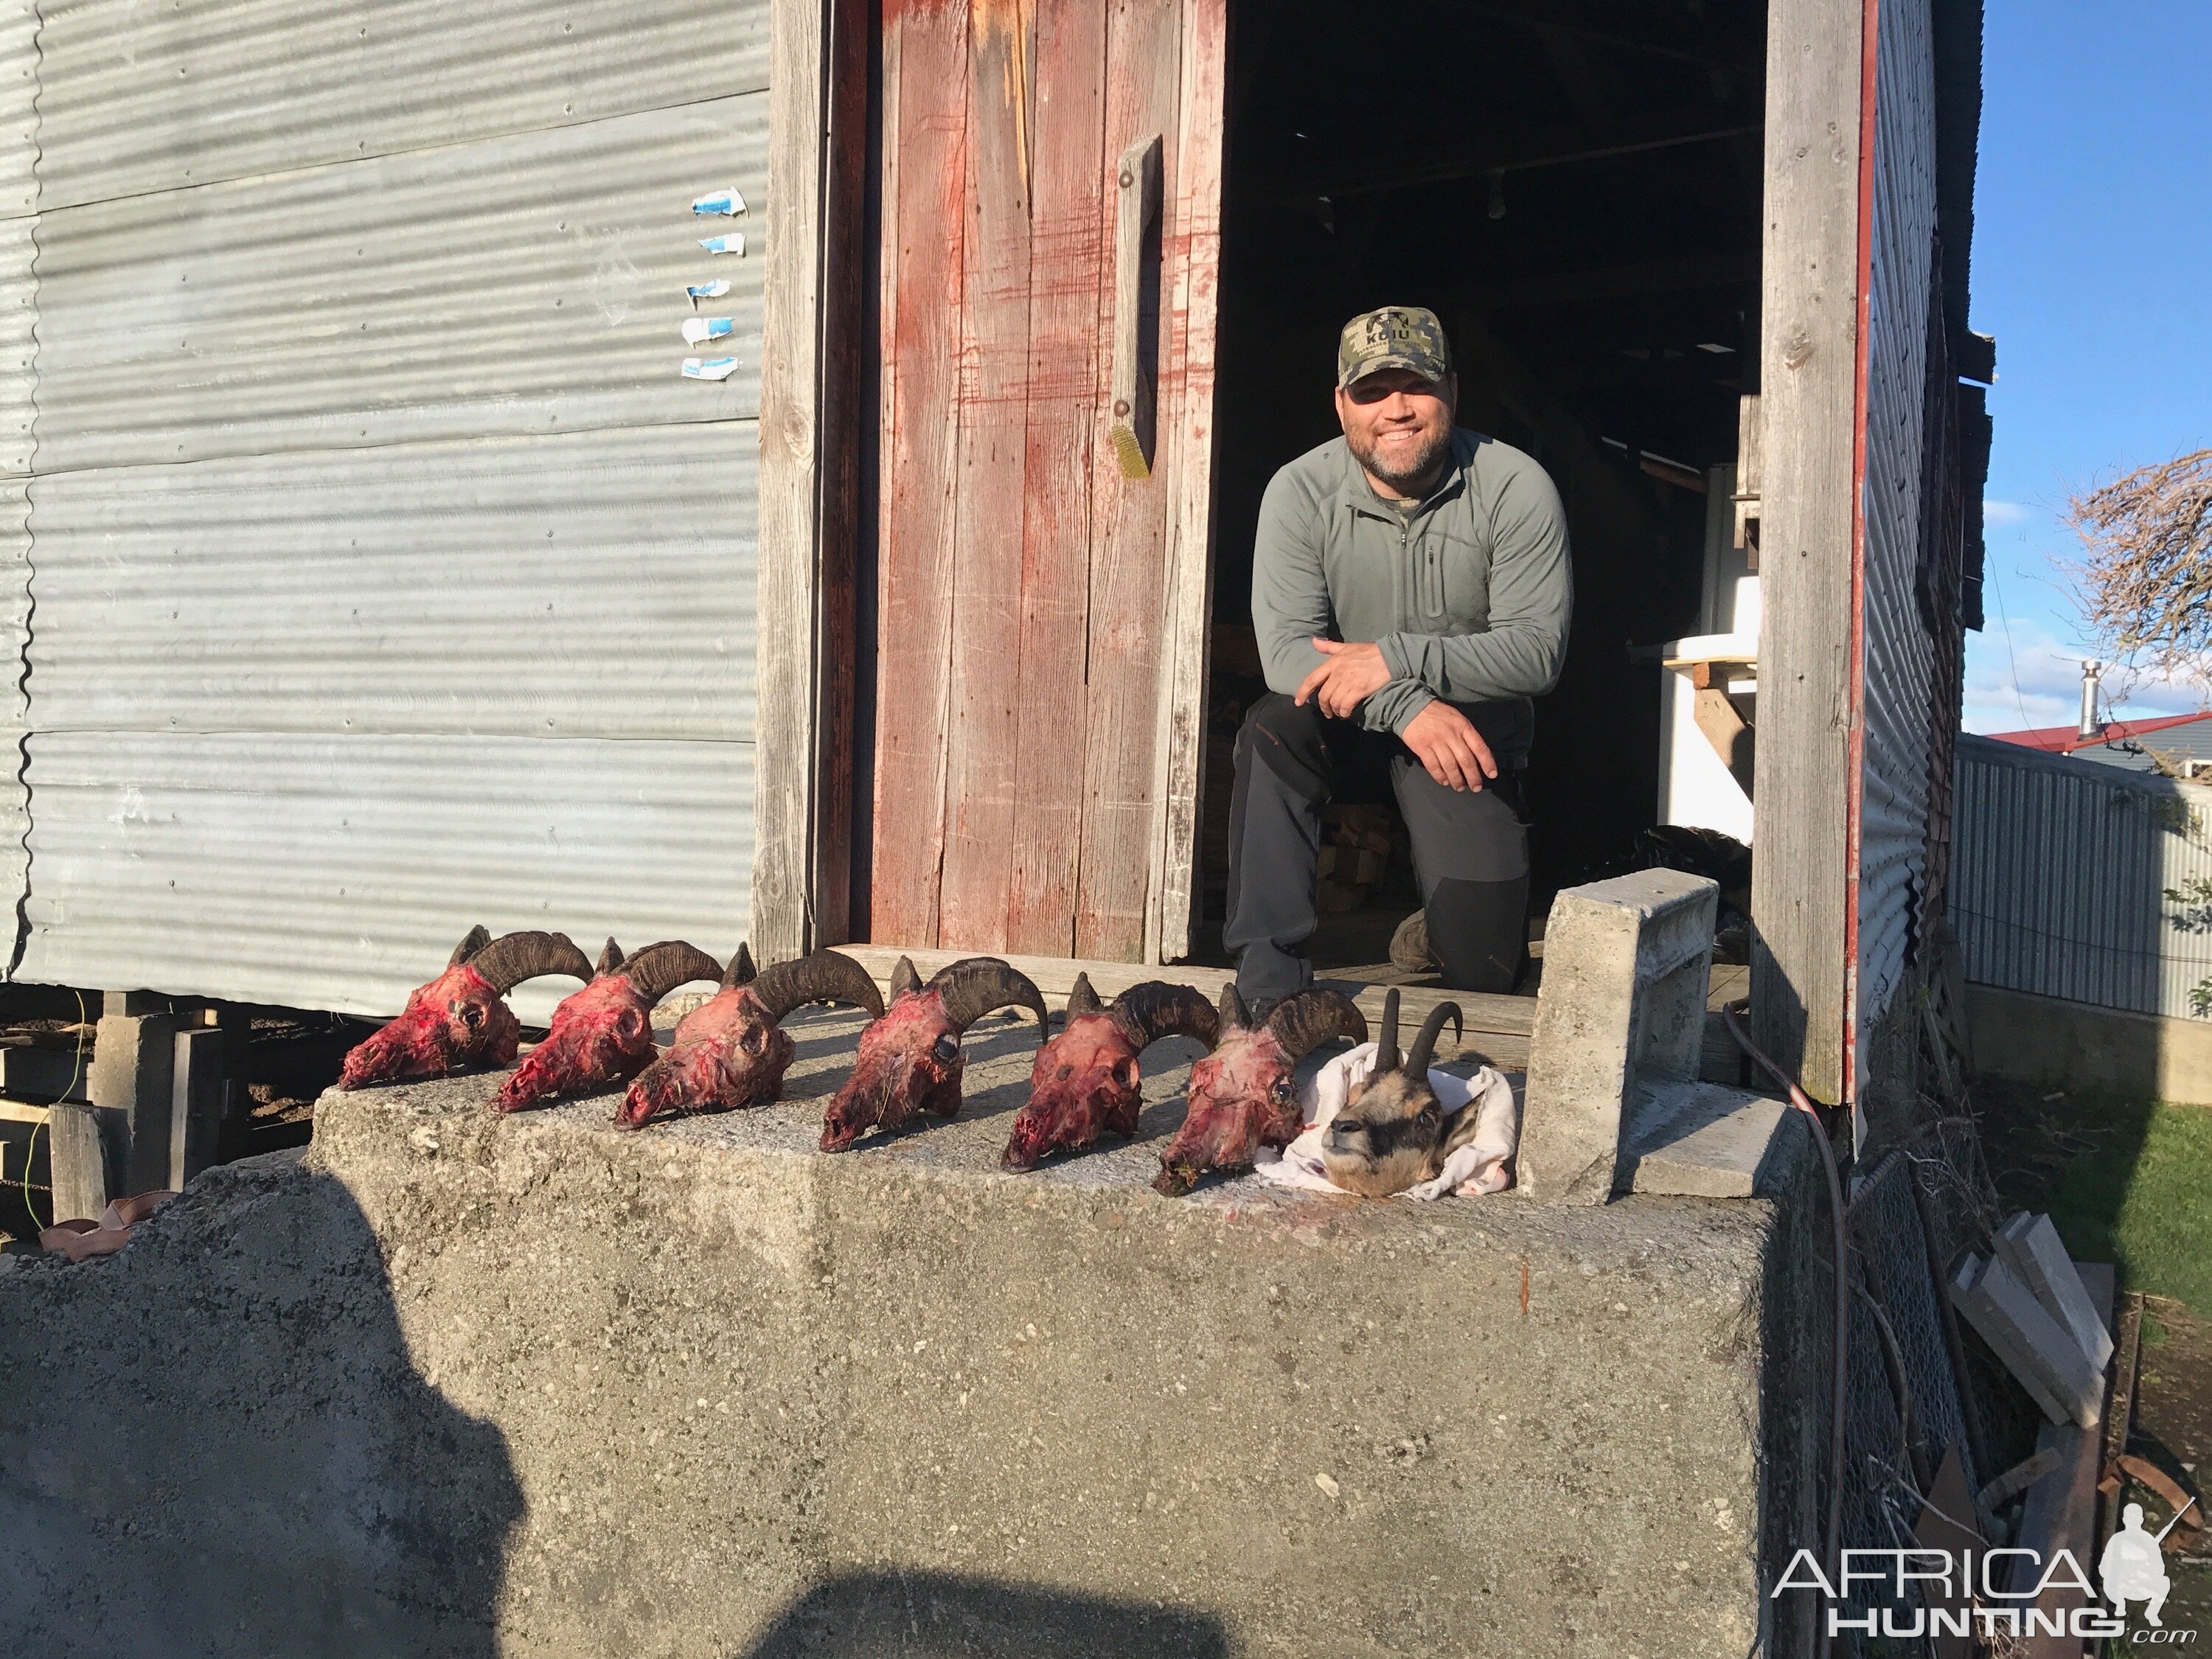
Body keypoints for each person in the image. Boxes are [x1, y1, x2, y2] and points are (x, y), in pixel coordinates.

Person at [1226, 305, 1573, 1006]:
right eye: (1372, 392)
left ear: (1451, 389)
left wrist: (1393, 658)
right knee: (1271, 724)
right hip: (1346, 724)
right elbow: (1287, 651)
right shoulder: (1298, 491)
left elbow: (1538, 653)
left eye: (1415, 386)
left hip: (1464, 741)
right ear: (1341, 405)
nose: (1397, 410)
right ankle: (1268, 983)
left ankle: (1439, 928)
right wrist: (1403, 698)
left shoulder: (1515, 485)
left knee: (1483, 973)